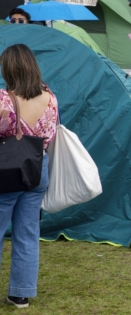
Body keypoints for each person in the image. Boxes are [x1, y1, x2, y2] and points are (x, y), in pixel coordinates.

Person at [0, 44, 58, 308]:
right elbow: (52, 133)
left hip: (7, 169)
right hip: (38, 168)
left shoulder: (4, 99)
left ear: (9, 69)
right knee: (28, 232)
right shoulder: (50, 97)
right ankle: (21, 292)